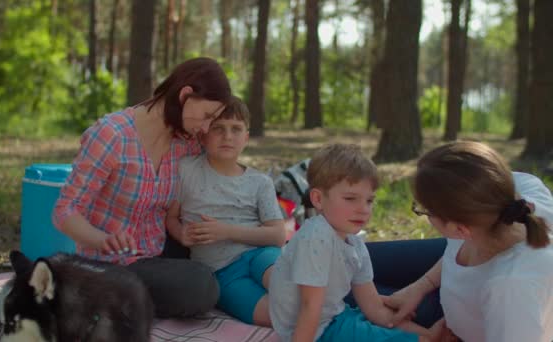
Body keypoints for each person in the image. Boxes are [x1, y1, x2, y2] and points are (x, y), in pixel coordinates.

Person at [52, 57, 232, 318]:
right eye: (206, 117)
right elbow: (65, 210)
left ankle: (122, 300)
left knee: (220, 266)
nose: (205, 128)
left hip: (158, 252)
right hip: (113, 262)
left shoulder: (187, 142)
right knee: (200, 286)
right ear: (185, 95)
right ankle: (100, 294)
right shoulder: (112, 135)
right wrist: (103, 240)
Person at [268, 144, 445, 342]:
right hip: (314, 331)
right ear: (318, 199)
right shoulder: (315, 237)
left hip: (336, 317)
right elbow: (310, 307)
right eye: (350, 199)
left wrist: (423, 333)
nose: (363, 209)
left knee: (383, 327)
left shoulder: (356, 245)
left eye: (369, 201)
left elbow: (374, 309)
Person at [383, 141, 553, 342]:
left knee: (350, 297)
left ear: (460, 229)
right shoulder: (499, 199)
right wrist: (420, 287)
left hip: (462, 324)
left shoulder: (510, 289)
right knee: (353, 267)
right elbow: (457, 250)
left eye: (424, 210)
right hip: (455, 302)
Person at [166, 96, 286, 326]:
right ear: (202, 135)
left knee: (290, 291)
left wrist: (226, 231)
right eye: (218, 128)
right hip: (221, 272)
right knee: (277, 316)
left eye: (236, 129)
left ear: (246, 138)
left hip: (262, 255)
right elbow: (171, 217)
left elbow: (278, 236)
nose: (227, 136)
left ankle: (343, 319)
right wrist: (180, 233)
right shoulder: (186, 170)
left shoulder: (260, 182)